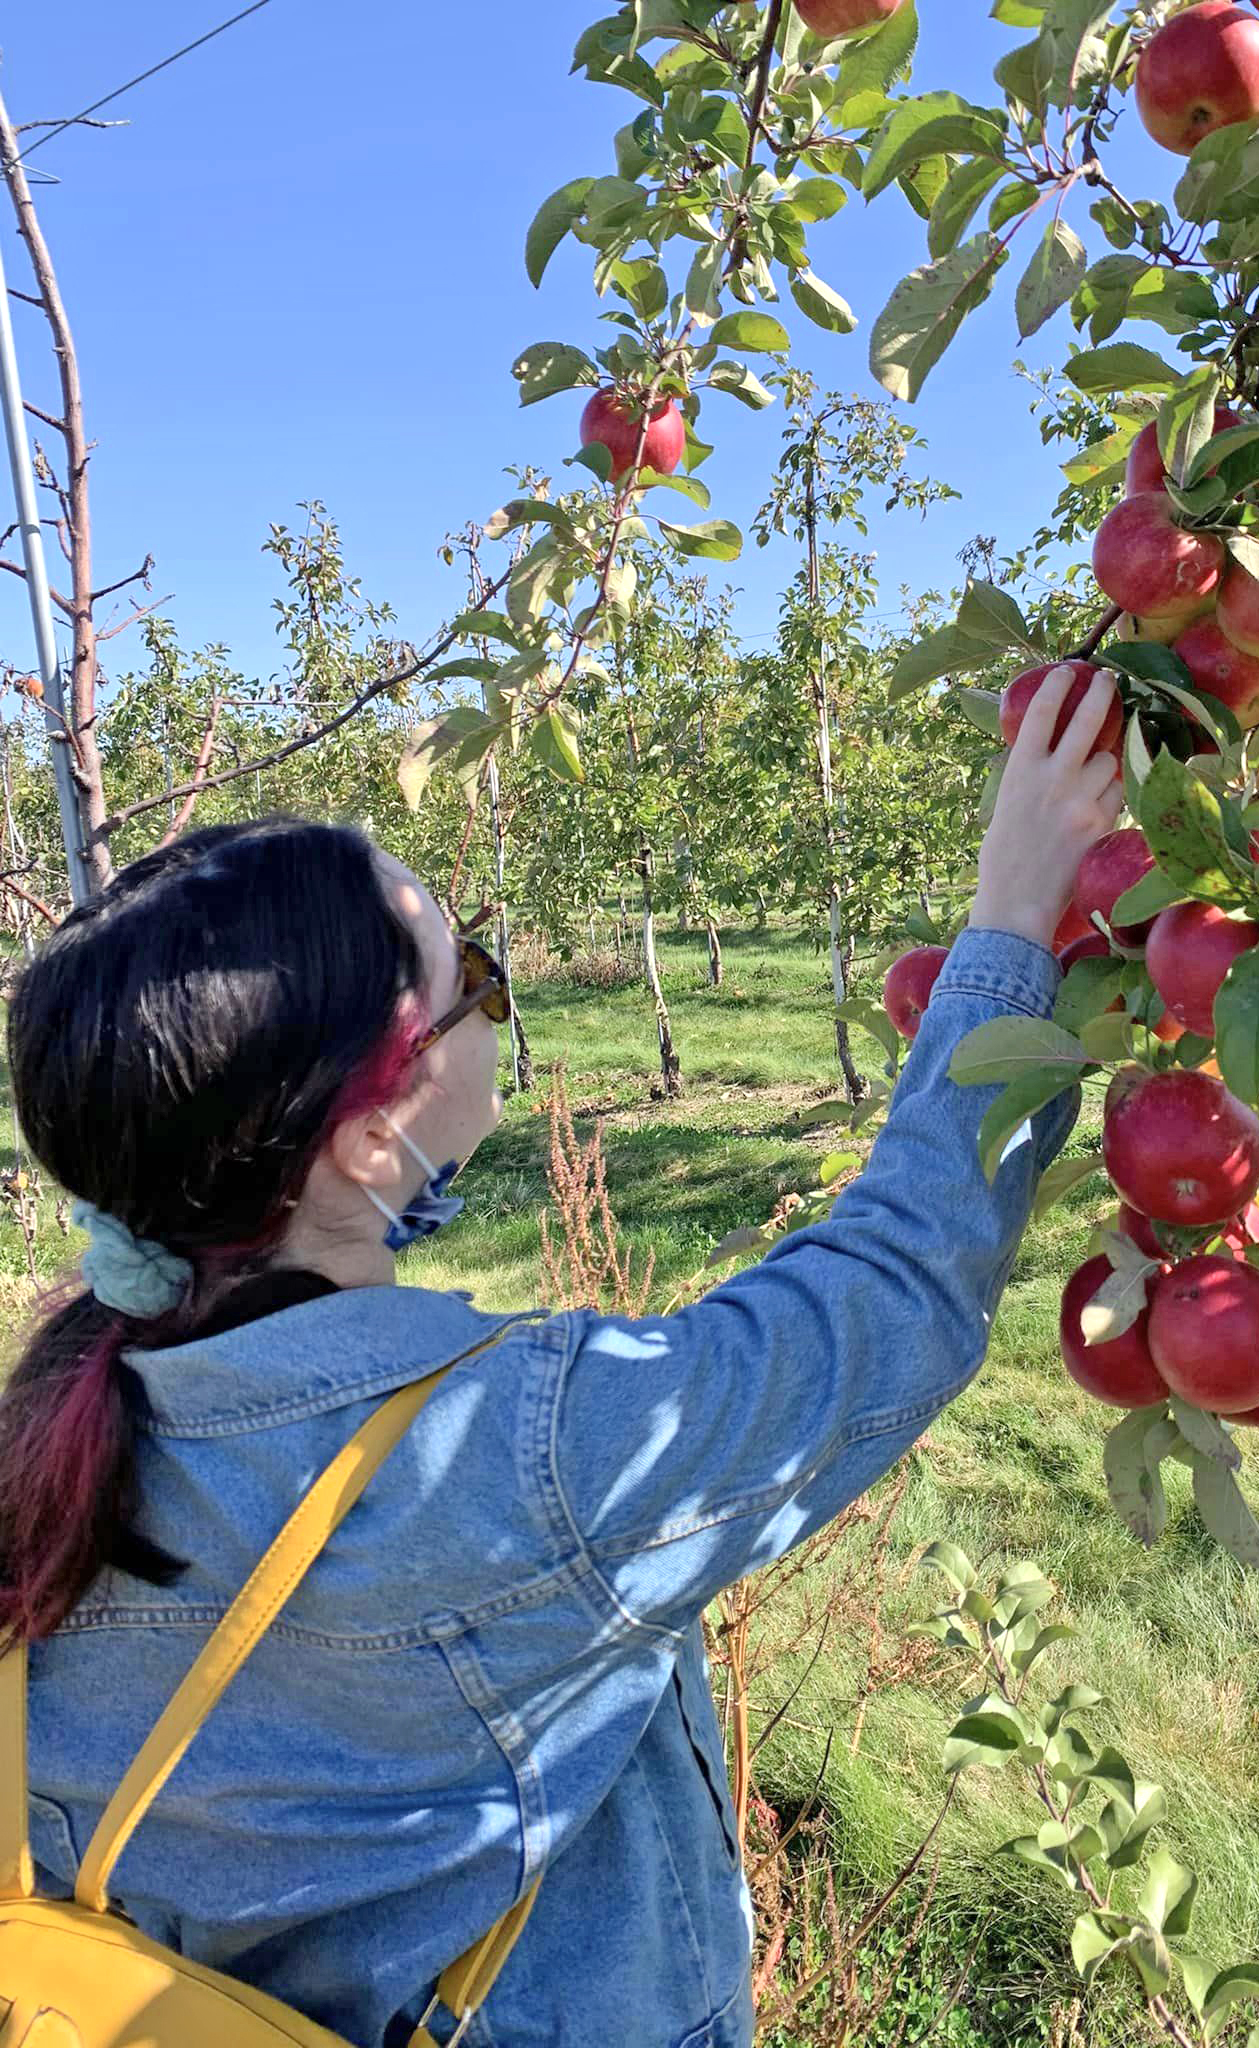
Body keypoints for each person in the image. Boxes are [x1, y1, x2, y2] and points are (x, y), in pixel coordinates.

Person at [2, 666, 1122, 2048]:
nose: (501, 991)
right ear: (365, 1136)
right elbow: (886, 1302)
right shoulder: (501, 1464)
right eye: (470, 977)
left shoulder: (61, 1445)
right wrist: (1012, 926)